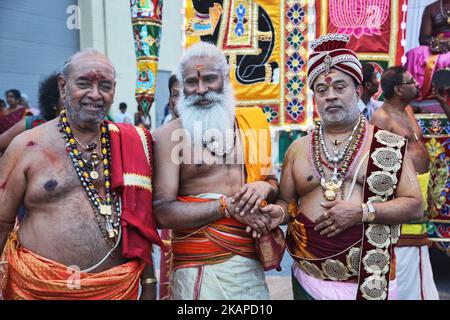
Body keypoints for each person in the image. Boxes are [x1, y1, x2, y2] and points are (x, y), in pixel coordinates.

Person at [260, 34, 424, 300]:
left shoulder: (389, 145)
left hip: (369, 280)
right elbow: (286, 202)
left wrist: (362, 212)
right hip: (308, 279)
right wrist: (277, 214)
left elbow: (415, 206)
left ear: (358, 91)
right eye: (322, 91)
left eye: (340, 87)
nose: (331, 96)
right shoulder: (297, 149)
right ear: (315, 99)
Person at [0, 49, 161, 300]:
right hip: (41, 290)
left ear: (114, 91)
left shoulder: (133, 141)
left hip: (118, 289)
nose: (95, 94)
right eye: (84, 83)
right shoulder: (26, 146)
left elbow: (140, 220)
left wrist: (149, 283)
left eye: (105, 86)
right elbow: (2, 223)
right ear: (63, 87)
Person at [153, 42, 282, 300]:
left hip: (249, 268)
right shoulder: (167, 136)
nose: (201, 90)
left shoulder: (254, 124)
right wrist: (225, 207)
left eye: (209, 79)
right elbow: (161, 211)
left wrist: (263, 187)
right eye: (191, 82)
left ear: (225, 78)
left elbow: (272, 184)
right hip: (199, 270)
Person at [371, 66, 439, 300]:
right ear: (399, 89)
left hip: (421, 184)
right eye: (412, 81)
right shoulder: (381, 117)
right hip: (402, 192)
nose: (418, 84)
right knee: (405, 254)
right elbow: (377, 163)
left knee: (419, 247)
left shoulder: (408, 110)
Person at [0, 73, 63, 153]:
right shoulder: (32, 123)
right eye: (8, 96)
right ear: (52, 102)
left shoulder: (23, 110)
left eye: (11, 96)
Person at [404, 0, 450, 100]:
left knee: (445, 59)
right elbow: (424, 39)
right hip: (439, 46)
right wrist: (439, 43)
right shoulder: (431, 8)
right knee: (412, 54)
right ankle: (412, 95)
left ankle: (444, 94)